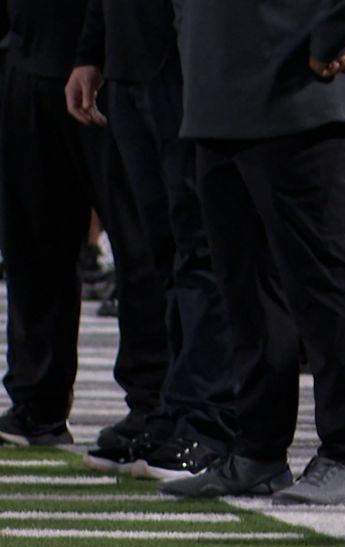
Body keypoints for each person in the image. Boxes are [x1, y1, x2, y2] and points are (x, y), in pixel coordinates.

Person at [158, 0, 345, 505]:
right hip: (215, 100)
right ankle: (258, 451)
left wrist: (334, 32)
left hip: (306, 96)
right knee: (245, 289)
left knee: (321, 283)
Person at [68, 0, 238, 480]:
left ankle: (210, 419)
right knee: (162, 252)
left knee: (201, 246)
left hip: (189, 59)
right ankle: (174, 406)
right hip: (132, 61)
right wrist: (92, 52)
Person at [0, 0, 168, 449]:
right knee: (31, 240)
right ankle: (37, 398)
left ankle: (153, 401)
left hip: (118, 66)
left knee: (140, 245)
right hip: (29, 53)